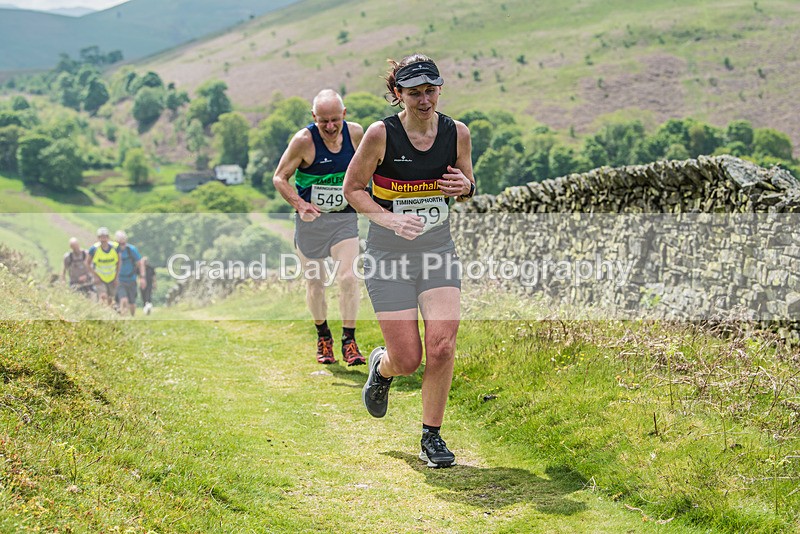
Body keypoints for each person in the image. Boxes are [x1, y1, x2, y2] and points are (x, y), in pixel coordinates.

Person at [343, 54, 476, 468]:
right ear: (397, 94)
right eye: (414, 93)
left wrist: (465, 186)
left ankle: (431, 436)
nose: (424, 101)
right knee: (409, 359)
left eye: (430, 91)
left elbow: (467, 183)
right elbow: (353, 188)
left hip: (437, 250)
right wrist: (389, 219)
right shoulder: (382, 135)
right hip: (388, 255)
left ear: (440, 89)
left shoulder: (457, 133)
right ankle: (382, 368)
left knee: (441, 346)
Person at [273, 89, 366, 366]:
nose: (329, 126)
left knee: (348, 278)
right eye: (323, 120)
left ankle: (349, 341)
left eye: (335, 119)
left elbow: (372, 166)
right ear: (314, 117)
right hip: (311, 223)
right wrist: (300, 205)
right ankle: (323, 335)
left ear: (344, 114)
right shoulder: (304, 141)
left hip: (343, 219)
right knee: (315, 283)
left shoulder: (357, 135)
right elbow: (280, 178)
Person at [87, 227, 120, 307]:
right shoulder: (94, 249)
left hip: (112, 277)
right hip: (100, 278)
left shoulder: (115, 247)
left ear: (108, 237)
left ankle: (109, 314)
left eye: (105, 237)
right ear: (98, 238)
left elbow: (119, 262)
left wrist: (116, 277)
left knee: (111, 299)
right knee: (103, 296)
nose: (103, 239)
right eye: (101, 237)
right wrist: (95, 276)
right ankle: (102, 312)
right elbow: (87, 263)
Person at [114, 230, 145, 317]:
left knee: (132, 303)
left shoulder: (131, 250)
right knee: (123, 300)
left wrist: (142, 277)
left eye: (123, 243)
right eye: (120, 243)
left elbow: (140, 263)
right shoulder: (114, 251)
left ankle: (132, 317)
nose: (122, 245)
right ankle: (123, 318)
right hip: (120, 279)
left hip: (131, 279)